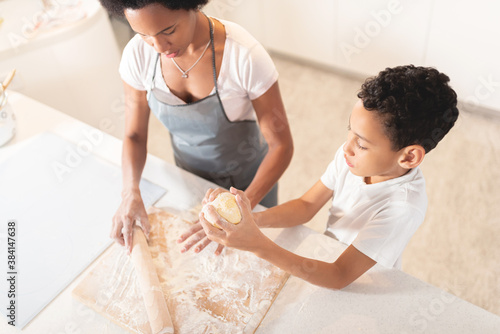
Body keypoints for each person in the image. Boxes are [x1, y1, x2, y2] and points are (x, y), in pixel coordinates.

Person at [197, 65, 459, 289]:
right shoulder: (352, 158)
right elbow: (307, 205)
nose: (347, 147)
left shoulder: (403, 207)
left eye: (363, 144)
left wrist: (256, 245)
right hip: (327, 257)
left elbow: (339, 276)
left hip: (363, 283)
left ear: (409, 157)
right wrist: (252, 221)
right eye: (350, 131)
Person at [98, 0, 294, 253]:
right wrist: (130, 192)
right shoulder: (138, 55)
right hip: (190, 179)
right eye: (144, 35)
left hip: (251, 185)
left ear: (192, 5)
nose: (158, 47)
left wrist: (241, 207)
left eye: (168, 31)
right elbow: (134, 134)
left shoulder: (244, 55)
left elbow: (281, 145)